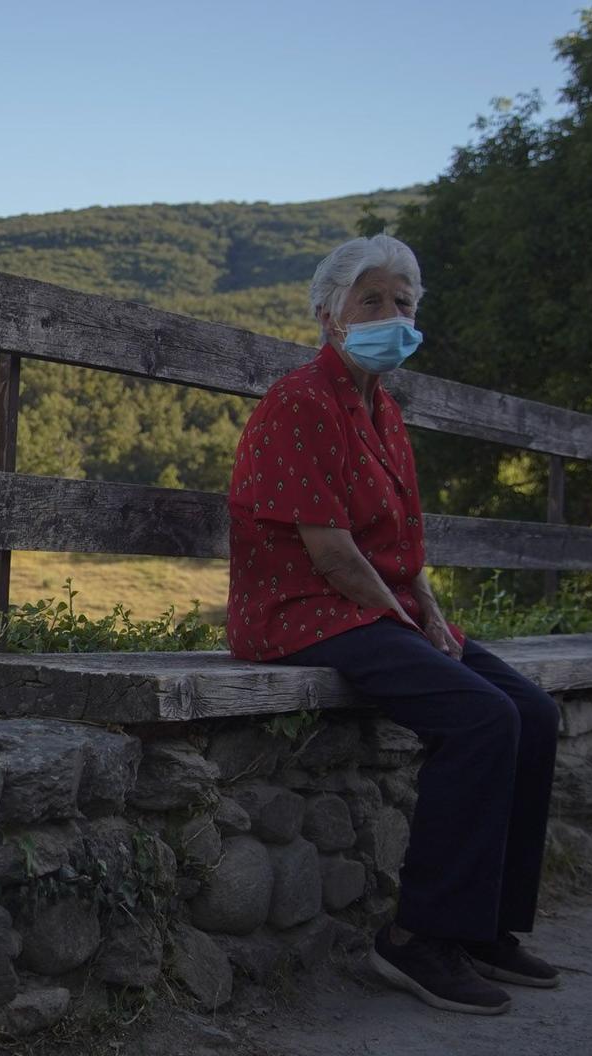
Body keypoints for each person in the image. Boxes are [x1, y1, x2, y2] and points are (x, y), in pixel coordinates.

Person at [225, 235, 561, 1016]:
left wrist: (432, 614)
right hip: (302, 611)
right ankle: (416, 940)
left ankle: (484, 928)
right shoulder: (300, 401)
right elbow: (333, 554)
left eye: (403, 303)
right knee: (480, 718)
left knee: (533, 713)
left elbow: (401, 544)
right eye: (371, 299)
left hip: (376, 607)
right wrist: (403, 623)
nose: (390, 315)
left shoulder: (384, 412)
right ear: (329, 314)